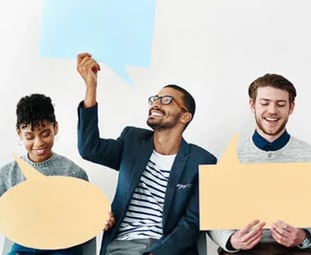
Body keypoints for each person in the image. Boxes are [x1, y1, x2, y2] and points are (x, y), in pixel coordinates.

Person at [76, 52, 217, 255]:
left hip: (168, 250)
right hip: (123, 246)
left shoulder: (202, 161)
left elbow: (192, 223)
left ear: (185, 116)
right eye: (155, 99)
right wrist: (91, 87)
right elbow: (90, 149)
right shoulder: (132, 141)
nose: (156, 103)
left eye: (167, 100)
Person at [209, 73, 311, 255]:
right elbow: (214, 216)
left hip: (295, 251)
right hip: (240, 252)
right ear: (252, 105)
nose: (273, 110)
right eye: (265, 103)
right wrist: (231, 240)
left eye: (281, 104)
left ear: (291, 107)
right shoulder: (228, 157)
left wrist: (305, 236)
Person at [0, 93, 90, 255]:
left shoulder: (73, 173)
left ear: (55, 128)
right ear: (19, 133)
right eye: (29, 136)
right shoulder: (7, 174)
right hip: (24, 246)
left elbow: (86, 216)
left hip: (63, 247)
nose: (38, 143)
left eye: (45, 134)